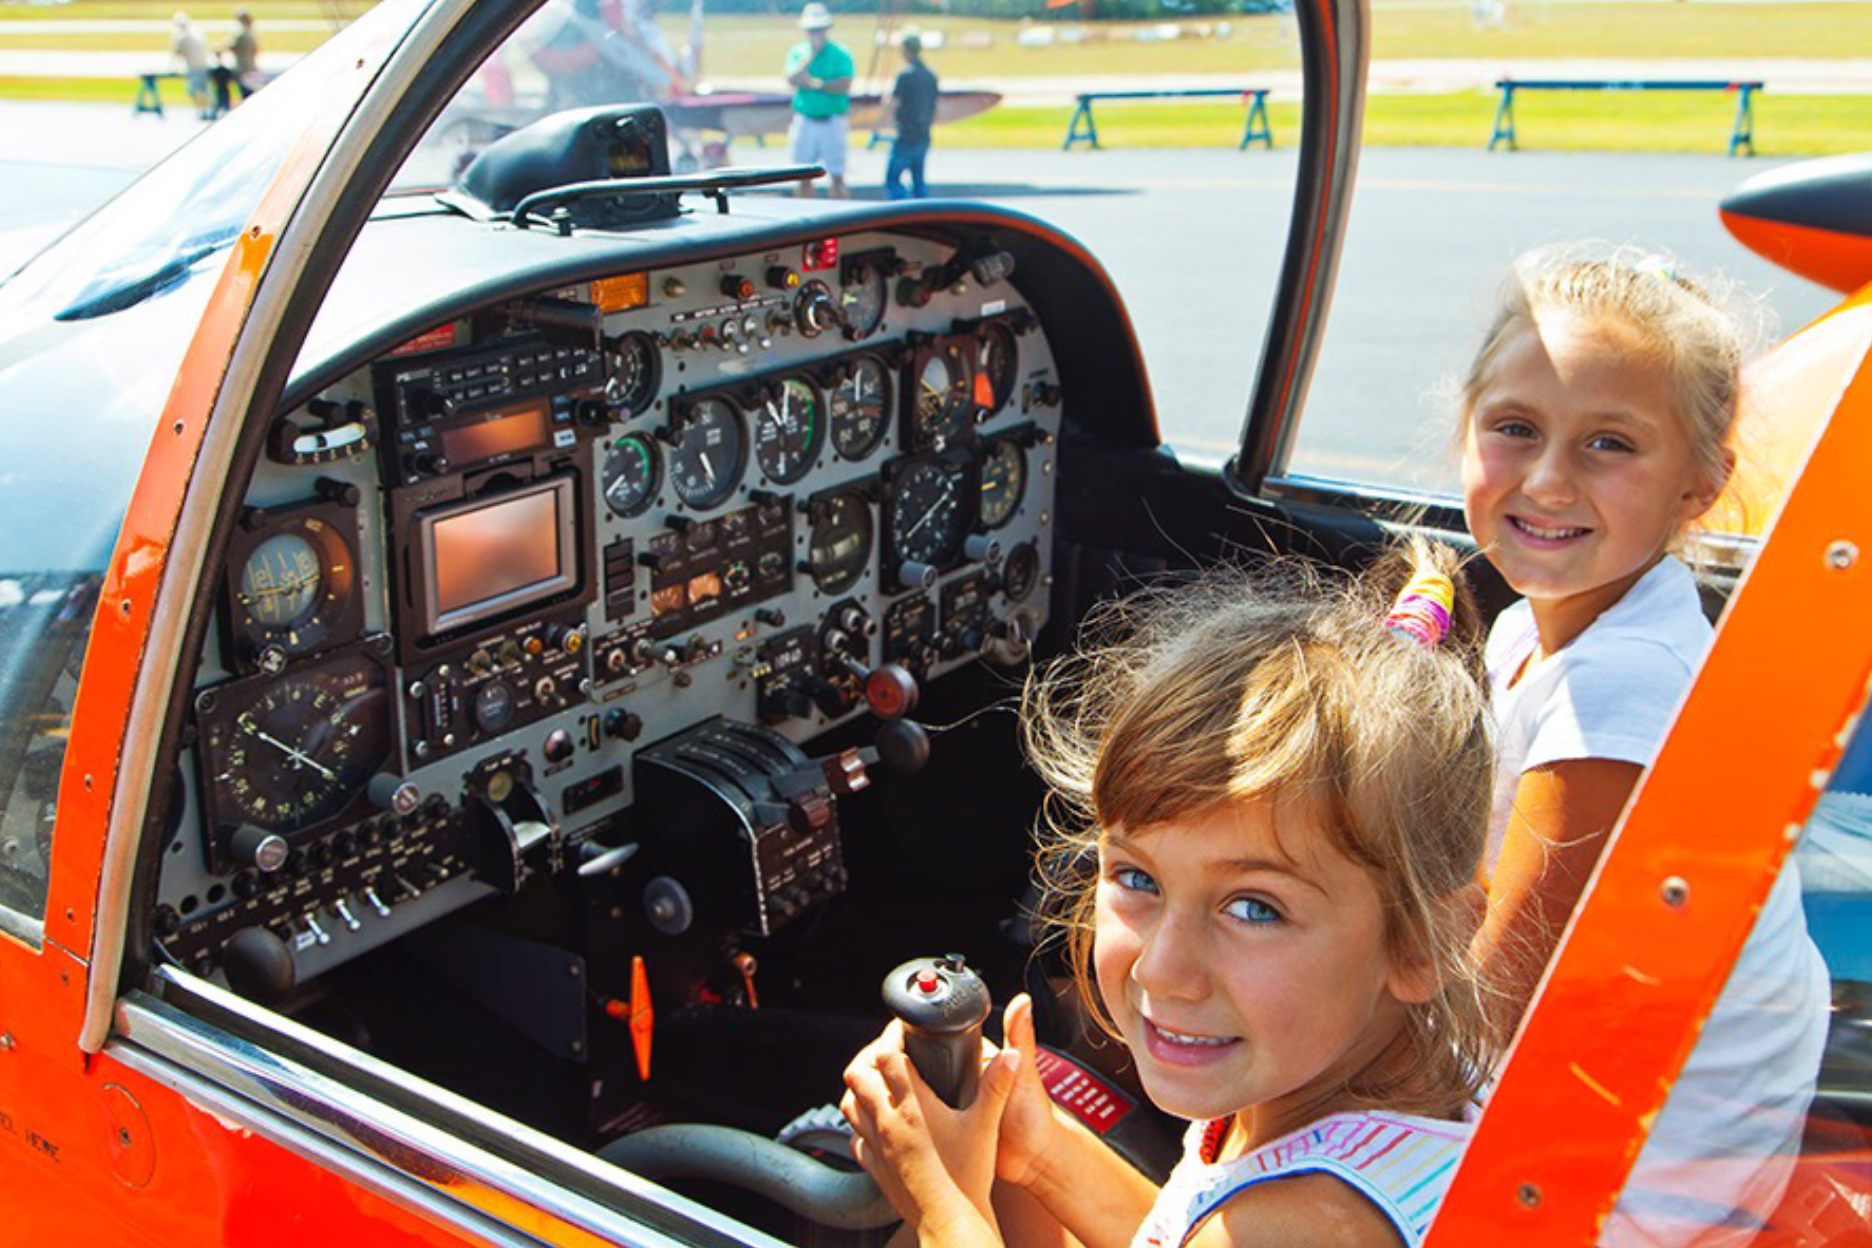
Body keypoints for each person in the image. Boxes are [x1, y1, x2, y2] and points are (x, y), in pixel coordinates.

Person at [842, 541, 1502, 1248]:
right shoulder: (1353, 1093)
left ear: (1421, 943)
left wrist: (942, 1207)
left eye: (1255, 907)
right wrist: (1037, 1152)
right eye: (1138, 878)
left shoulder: (1310, 1227)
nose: (1161, 970)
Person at [1460, 247, 1830, 1246]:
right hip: (1658, 1121)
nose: (1545, 478)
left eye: (1608, 445)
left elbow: (1485, 1010)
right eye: (1515, 429)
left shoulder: (1619, 685)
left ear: (1701, 485)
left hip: (1626, 1185)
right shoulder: (1535, 625)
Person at [783, 2, 852, 198]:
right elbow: (792, 79)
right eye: (812, 30)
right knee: (801, 176)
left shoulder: (840, 53)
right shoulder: (798, 53)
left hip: (832, 120)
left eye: (819, 30)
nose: (816, 34)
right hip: (806, 119)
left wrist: (817, 84)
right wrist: (808, 59)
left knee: (837, 176)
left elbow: (844, 83)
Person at [882, 30, 937, 200]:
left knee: (892, 180)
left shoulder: (905, 76)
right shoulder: (930, 76)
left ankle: (901, 212)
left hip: (906, 134)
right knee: (918, 181)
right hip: (923, 133)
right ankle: (923, 215)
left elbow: (894, 102)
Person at [213, 8, 259, 116]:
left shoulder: (242, 34)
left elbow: (229, 46)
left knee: (245, 92)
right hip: (250, 66)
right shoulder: (251, 33)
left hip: (243, 67)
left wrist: (217, 49)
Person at [168, 12, 212, 121]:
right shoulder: (197, 33)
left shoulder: (182, 37)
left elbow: (176, 53)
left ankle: (201, 111)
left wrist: (172, 68)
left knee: (194, 91)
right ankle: (206, 111)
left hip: (194, 67)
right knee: (204, 91)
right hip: (203, 66)